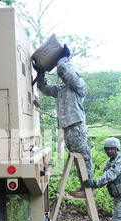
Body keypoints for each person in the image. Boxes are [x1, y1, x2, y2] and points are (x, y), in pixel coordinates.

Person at [35, 44, 94, 198]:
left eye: (63, 74)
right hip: (67, 129)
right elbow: (43, 88)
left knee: (84, 157)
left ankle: (89, 188)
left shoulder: (79, 86)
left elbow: (68, 72)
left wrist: (62, 58)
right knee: (77, 159)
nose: (61, 75)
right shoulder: (61, 90)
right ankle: (84, 188)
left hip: (76, 127)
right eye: (60, 74)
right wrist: (40, 74)